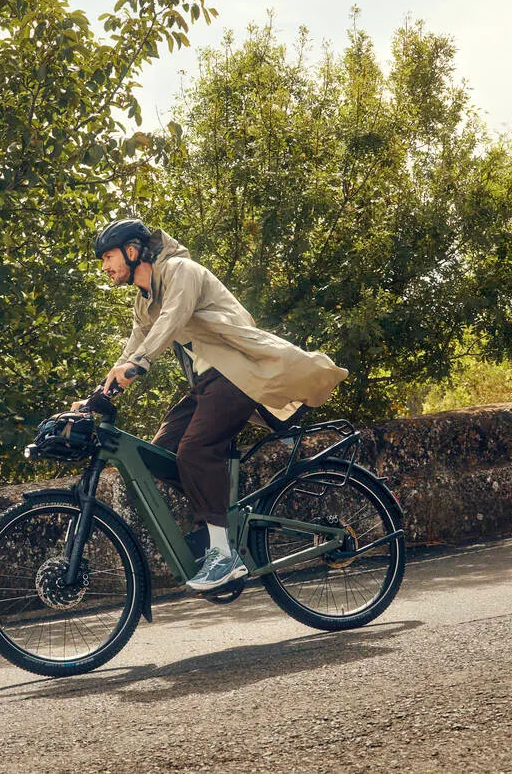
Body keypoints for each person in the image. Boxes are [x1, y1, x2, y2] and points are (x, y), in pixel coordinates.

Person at [91, 218, 349, 591]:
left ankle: (222, 554)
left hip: (235, 372)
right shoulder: (143, 302)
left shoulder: (182, 270)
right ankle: (220, 520)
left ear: (132, 252)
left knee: (195, 449)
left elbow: (172, 318)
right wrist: (98, 394)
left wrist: (139, 363)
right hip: (207, 382)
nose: (105, 267)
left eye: (109, 257)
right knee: (159, 454)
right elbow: (133, 346)